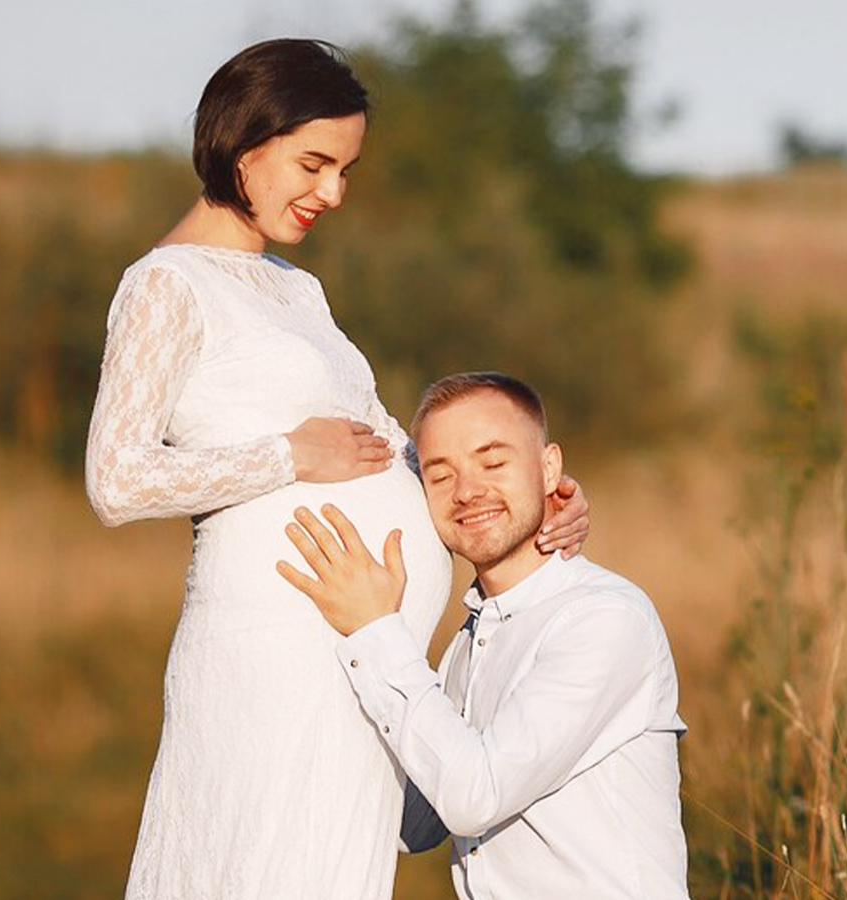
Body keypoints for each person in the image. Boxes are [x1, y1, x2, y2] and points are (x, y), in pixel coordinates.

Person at [82, 40, 590, 900]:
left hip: (359, 653)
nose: (333, 193)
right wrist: (287, 456)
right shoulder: (165, 285)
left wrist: (525, 505)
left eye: (346, 170)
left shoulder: (296, 289)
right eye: (314, 164)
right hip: (268, 660)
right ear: (245, 147)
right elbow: (116, 480)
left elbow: (386, 451)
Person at [278, 372, 689, 899]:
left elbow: (475, 795)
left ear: (549, 468)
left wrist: (375, 631)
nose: (468, 491)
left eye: (493, 463)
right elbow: (418, 825)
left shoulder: (603, 619)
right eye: (440, 476)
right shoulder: (469, 644)